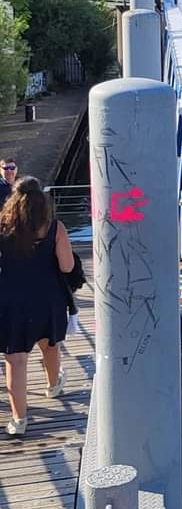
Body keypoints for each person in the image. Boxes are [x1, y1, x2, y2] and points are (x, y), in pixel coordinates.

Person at [0, 177, 72, 436]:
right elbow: (67, 267)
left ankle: (19, 420)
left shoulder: (3, 226)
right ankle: (53, 385)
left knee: (16, 361)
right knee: (49, 344)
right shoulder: (55, 228)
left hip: (12, 300)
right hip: (47, 296)